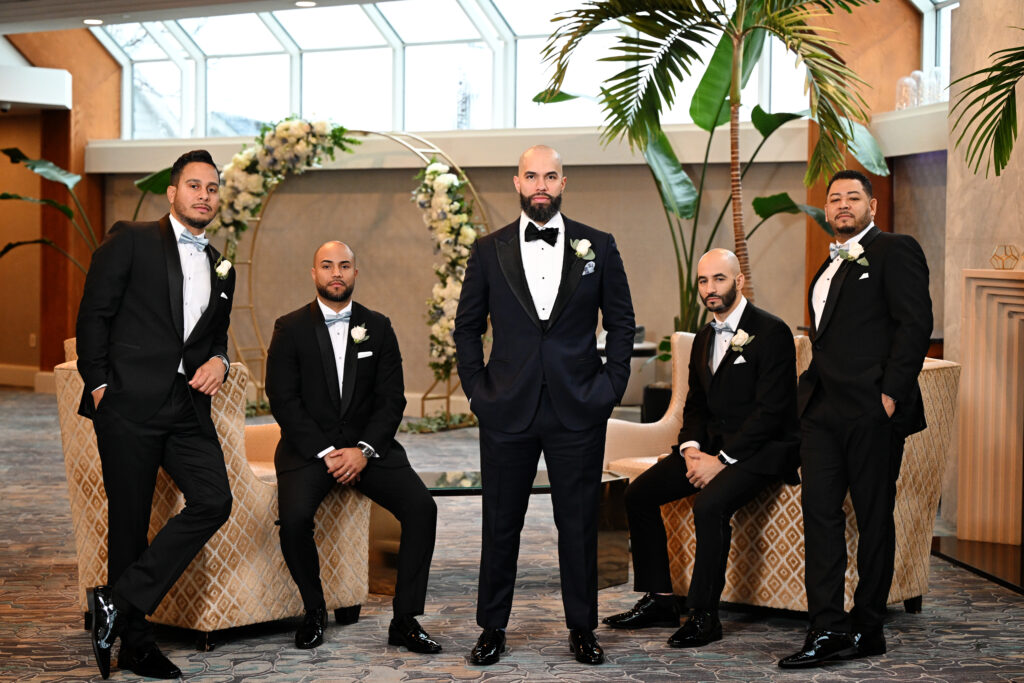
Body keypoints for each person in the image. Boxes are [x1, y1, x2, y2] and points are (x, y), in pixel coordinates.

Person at [453, 145, 636, 666]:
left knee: (578, 523)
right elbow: (467, 328)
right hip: (505, 406)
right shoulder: (488, 250)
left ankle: (582, 627)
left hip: (578, 406)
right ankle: (492, 626)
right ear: (516, 182)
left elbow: (622, 323)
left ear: (563, 183)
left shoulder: (598, 245)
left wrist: (609, 388)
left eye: (550, 176)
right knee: (499, 521)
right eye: (531, 175)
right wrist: (476, 388)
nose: (541, 184)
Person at [77, 149, 235, 679]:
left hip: (187, 406)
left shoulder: (221, 264)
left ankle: (114, 602)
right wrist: (100, 386)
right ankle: (137, 644)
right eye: (194, 186)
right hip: (128, 405)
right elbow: (94, 314)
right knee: (130, 523)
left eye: (212, 188)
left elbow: (216, 337)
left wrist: (222, 360)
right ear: (173, 192)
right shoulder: (133, 238)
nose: (203, 196)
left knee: (214, 499)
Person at [603, 248, 800, 647]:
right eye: (704, 281)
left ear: (739, 281)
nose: (710, 289)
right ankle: (659, 599)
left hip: (760, 451)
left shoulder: (772, 331)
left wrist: (722, 461)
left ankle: (704, 616)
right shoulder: (704, 336)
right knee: (638, 494)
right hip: (707, 448)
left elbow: (771, 412)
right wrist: (691, 450)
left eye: (719, 279)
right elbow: (693, 405)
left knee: (709, 506)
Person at [779, 170, 932, 669]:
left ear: (873, 207)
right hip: (821, 413)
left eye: (853, 197)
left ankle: (868, 628)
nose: (842, 205)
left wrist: (890, 395)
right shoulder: (825, 266)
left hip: (872, 411)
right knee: (820, 519)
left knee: (872, 520)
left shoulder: (896, 249)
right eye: (834, 198)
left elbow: (915, 325)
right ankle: (825, 628)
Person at [265, 241, 441, 654]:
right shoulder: (288, 328)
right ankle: (313, 610)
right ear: (314, 274)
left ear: (356, 273)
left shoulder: (378, 326)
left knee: (422, 509)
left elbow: (391, 399)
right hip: (310, 451)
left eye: (344, 265)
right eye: (327, 266)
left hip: (369, 448)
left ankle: (405, 619)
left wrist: (363, 450)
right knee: (292, 521)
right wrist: (327, 452)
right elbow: (282, 399)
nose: (336, 273)